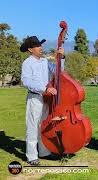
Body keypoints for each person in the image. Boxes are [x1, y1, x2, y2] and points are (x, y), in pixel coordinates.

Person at [20, 36, 65, 165]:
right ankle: (32, 156)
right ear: (30, 49)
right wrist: (44, 88)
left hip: (47, 98)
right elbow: (26, 81)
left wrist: (61, 58)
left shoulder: (45, 61)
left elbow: (58, 71)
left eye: (40, 45)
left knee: (43, 126)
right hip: (35, 97)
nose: (40, 48)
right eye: (37, 46)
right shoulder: (27, 63)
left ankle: (44, 152)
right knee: (33, 126)